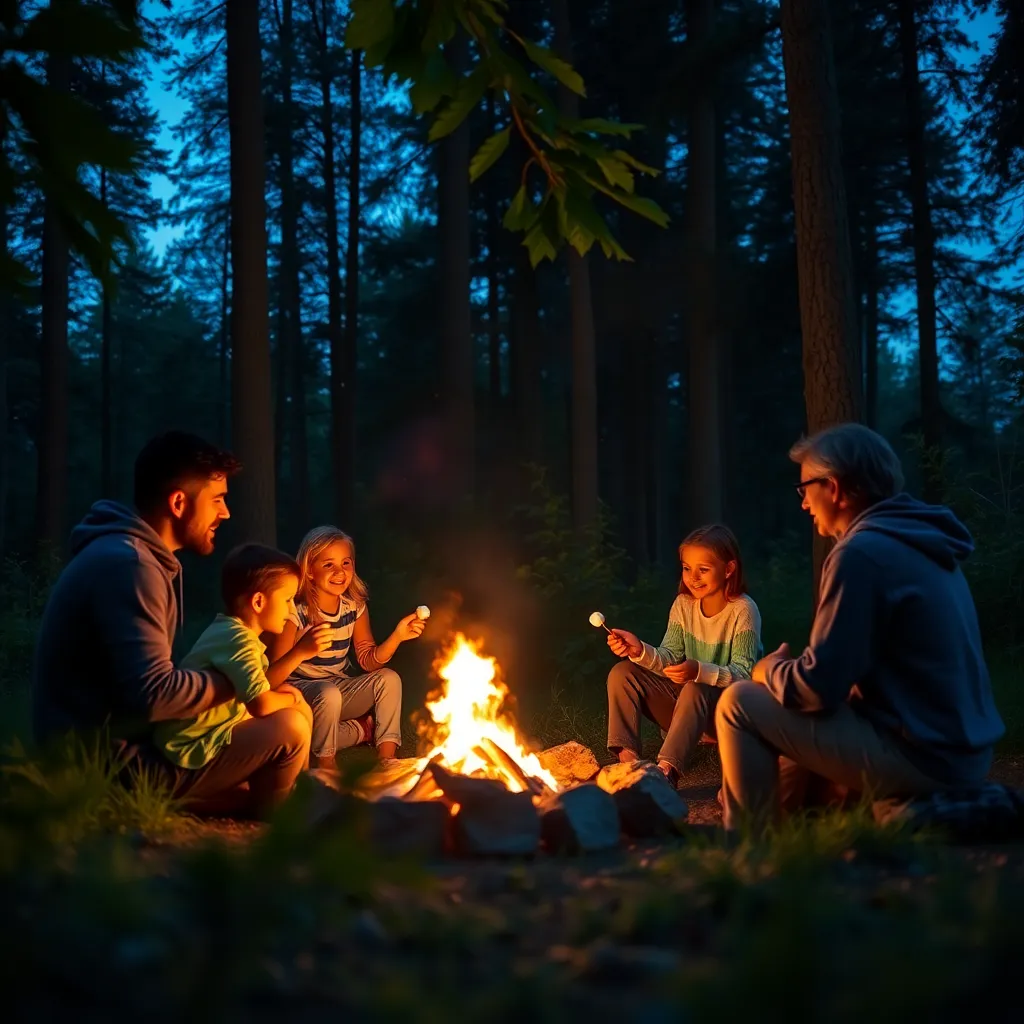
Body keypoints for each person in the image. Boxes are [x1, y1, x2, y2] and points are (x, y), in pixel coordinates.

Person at [714, 423, 1005, 831]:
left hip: (925, 758)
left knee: (739, 702)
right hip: (963, 751)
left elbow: (817, 690)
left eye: (805, 490)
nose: (803, 504)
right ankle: (802, 836)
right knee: (789, 762)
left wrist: (769, 669)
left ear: (832, 487)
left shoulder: (860, 553)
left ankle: (748, 857)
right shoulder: (920, 541)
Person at [32, 431, 313, 817]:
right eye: (217, 500)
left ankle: (231, 800)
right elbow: (155, 695)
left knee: (255, 750)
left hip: (110, 748)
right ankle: (265, 819)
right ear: (179, 502)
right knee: (290, 727)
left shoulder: (132, 559)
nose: (225, 513)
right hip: (102, 765)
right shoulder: (131, 567)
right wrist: (237, 680)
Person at [153, 544, 332, 812]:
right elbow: (260, 703)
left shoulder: (232, 632)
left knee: (296, 708)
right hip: (188, 754)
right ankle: (278, 807)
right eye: (286, 600)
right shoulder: (238, 641)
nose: (290, 610)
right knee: (292, 722)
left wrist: (300, 653)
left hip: (205, 741)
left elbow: (261, 684)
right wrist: (291, 698)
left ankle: (291, 789)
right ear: (259, 602)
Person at [606, 524, 762, 786]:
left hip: (723, 714)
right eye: (687, 568)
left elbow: (744, 674)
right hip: (683, 710)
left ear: (728, 569)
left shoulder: (743, 610)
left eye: (703, 569)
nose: (693, 577)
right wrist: (639, 650)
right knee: (622, 673)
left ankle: (666, 772)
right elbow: (669, 658)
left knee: (695, 687)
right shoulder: (683, 605)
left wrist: (699, 671)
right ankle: (629, 766)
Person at [264, 525, 426, 769]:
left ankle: (387, 760)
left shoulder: (354, 607)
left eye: (346, 563)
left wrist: (397, 636)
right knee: (326, 696)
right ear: (309, 571)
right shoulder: (296, 612)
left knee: (389, 679)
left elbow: (368, 660)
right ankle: (327, 763)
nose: (339, 572)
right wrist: (301, 649)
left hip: (337, 690)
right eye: (328, 565)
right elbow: (274, 679)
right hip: (299, 696)